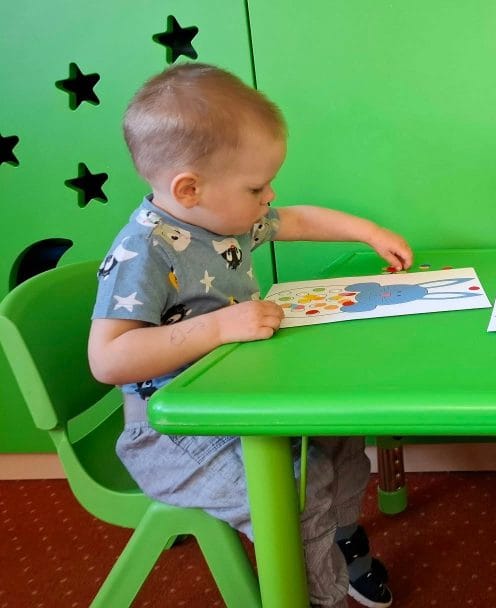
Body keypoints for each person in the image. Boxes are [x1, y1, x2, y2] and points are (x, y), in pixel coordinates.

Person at [88, 62, 413, 608]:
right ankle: (319, 594)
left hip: (240, 400)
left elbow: (296, 220)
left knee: (339, 433)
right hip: (172, 432)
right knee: (297, 492)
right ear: (189, 188)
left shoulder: (222, 218)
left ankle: (340, 541)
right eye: (257, 187)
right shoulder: (143, 250)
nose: (270, 196)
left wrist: (369, 231)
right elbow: (108, 359)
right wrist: (217, 326)